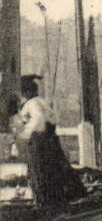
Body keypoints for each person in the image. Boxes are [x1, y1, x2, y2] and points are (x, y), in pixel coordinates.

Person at [12, 75, 84, 209]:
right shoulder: (42, 102)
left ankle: (44, 203)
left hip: (39, 142)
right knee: (55, 169)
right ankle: (61, 198)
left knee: (39, 172)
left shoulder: (31, 104)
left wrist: (25, 134)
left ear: (26, 92)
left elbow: (38, 120)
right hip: (50, 140)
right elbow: (53, 119)